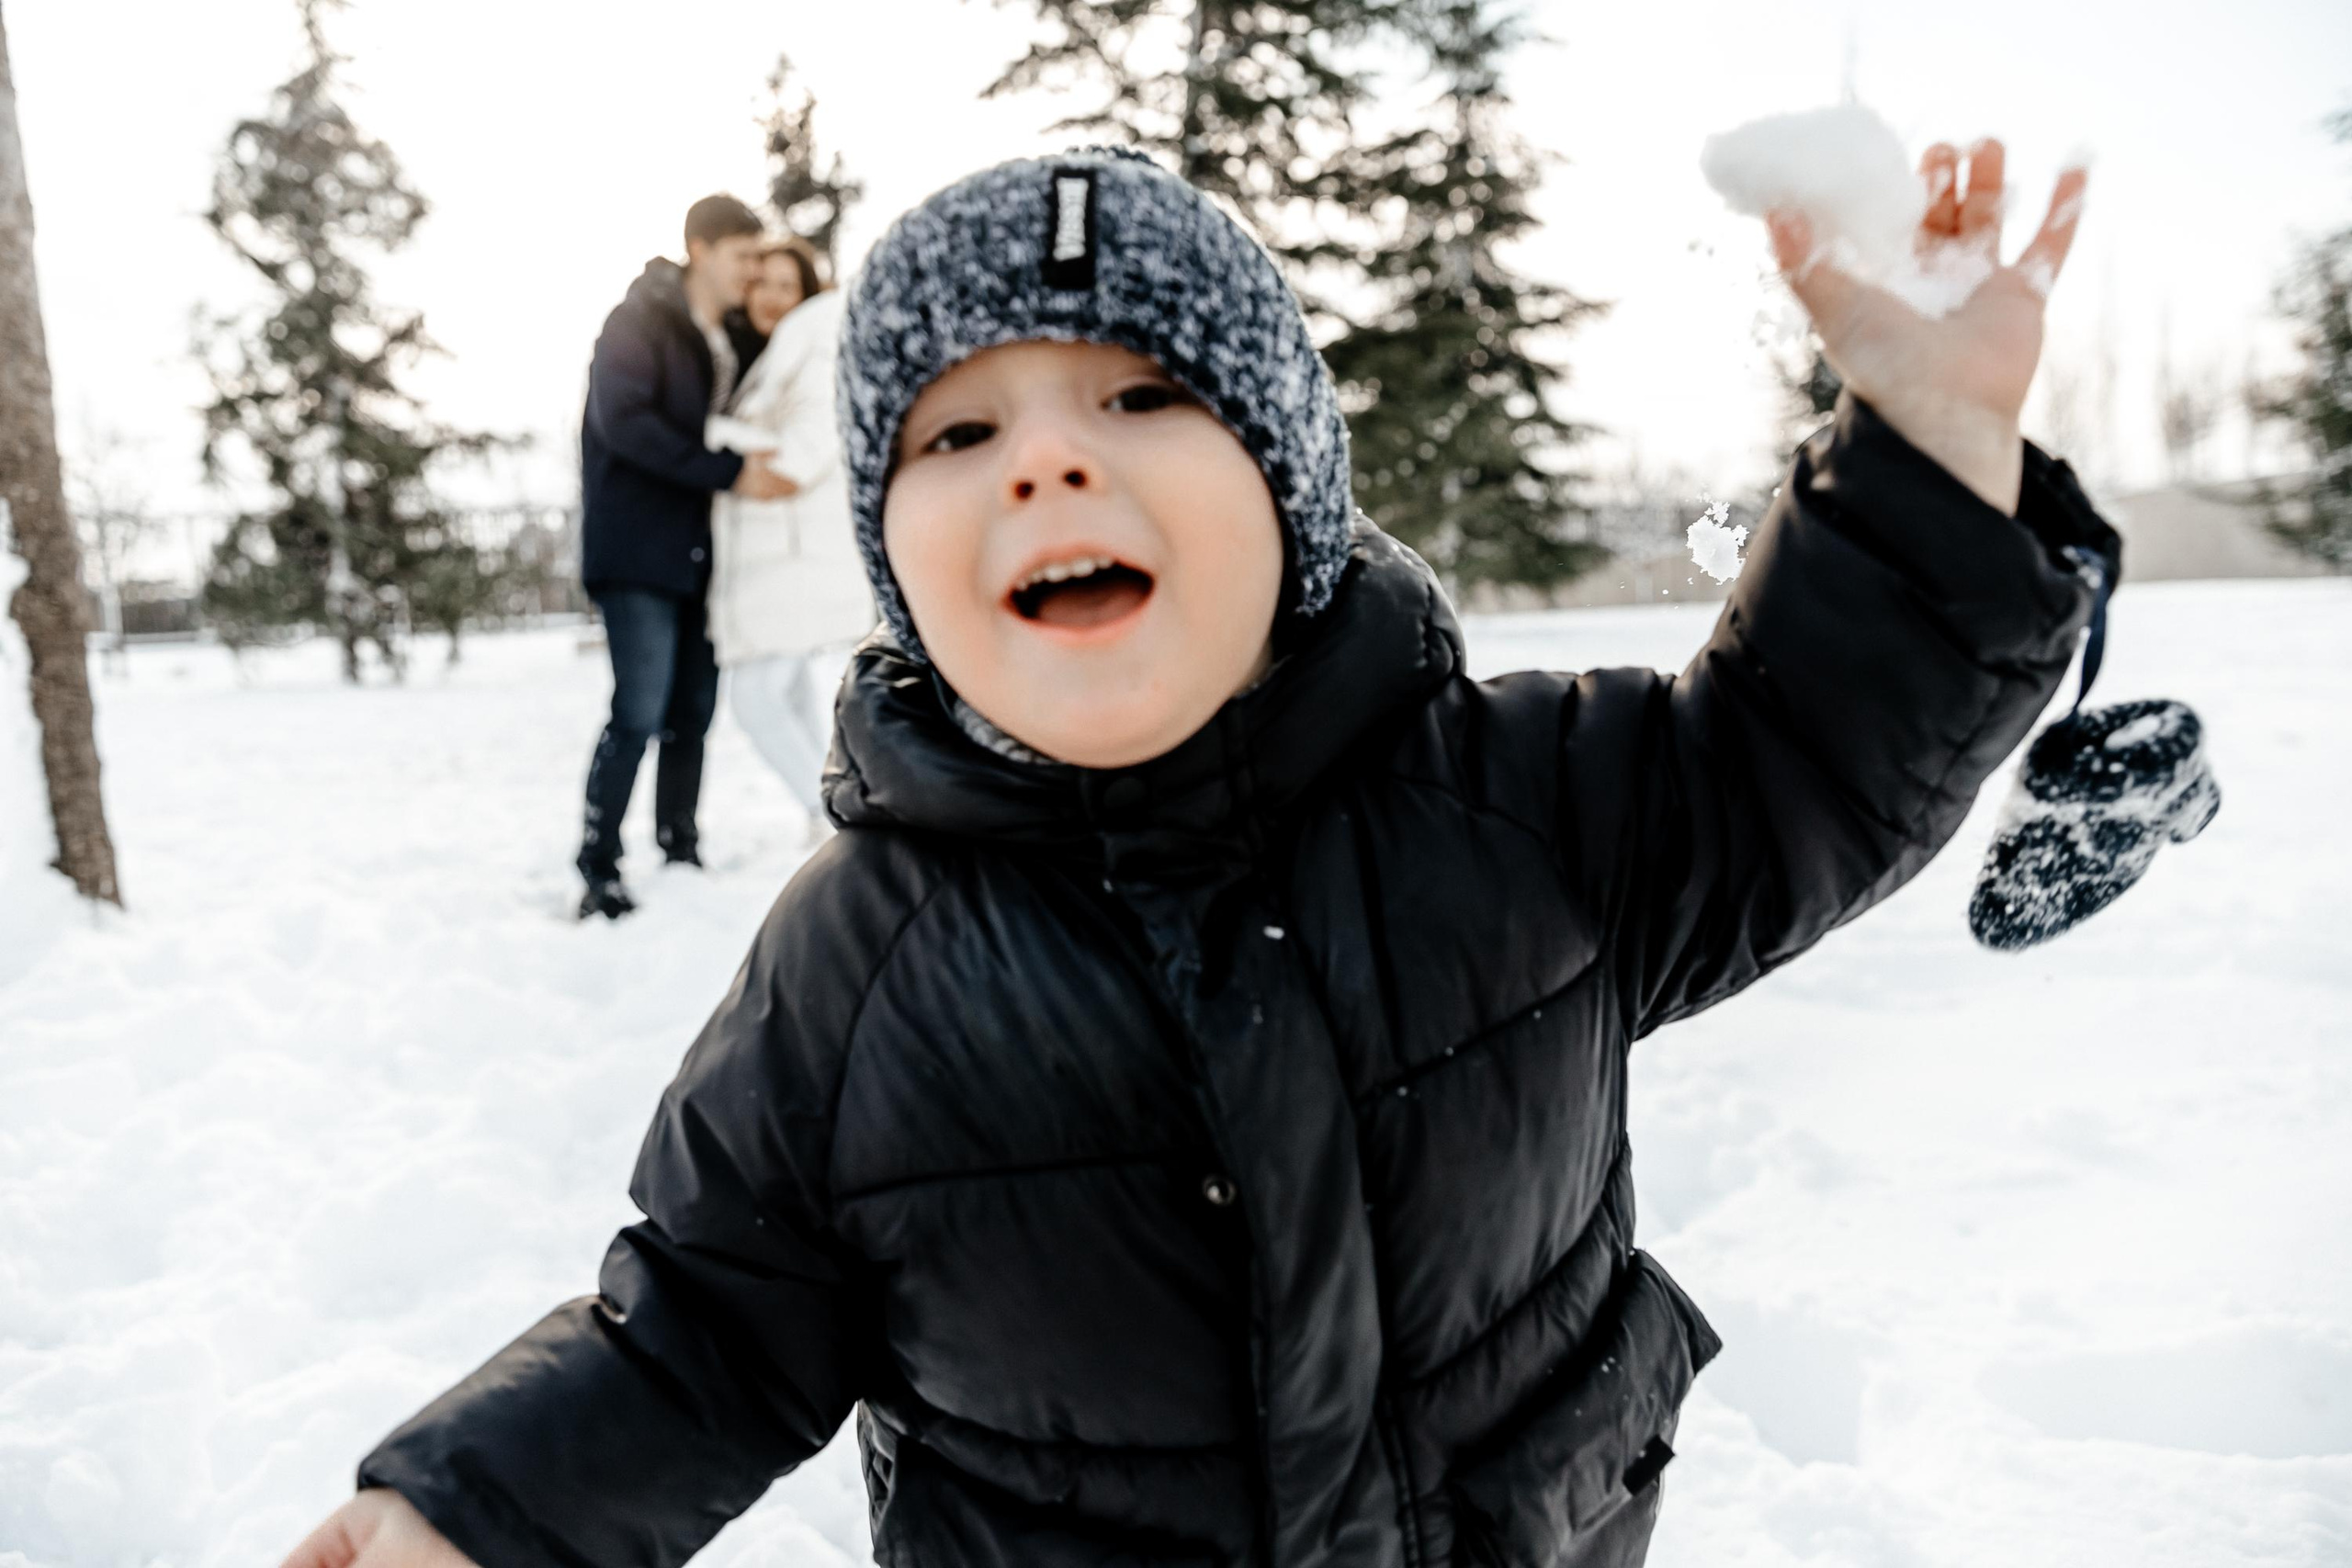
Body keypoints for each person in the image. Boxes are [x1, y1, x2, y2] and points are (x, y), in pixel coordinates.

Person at [284, 143, 2113, 1568]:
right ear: (897, 560)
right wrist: (484, 1505)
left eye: (1143, 398)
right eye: (958, 431)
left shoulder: (1521, 801)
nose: (1044, 466)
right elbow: (697, 1323)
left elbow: (1804, 757)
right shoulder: (857, 970)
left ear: (1291, 479)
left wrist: (1932, 447)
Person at [574, 194, 797, 921]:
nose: (750, 275)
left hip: (702, 554)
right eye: (741, 259)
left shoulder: (722, 335)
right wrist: (729, 473)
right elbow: (626, 423)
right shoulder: (637, 322)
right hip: (635, 551)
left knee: (692, 711)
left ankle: (680, 846)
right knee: (637, 709)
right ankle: (599, 864)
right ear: (701, 249)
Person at [706, 237, 874, 829]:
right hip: (773, 558)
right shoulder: (763, 355)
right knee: (794, 697)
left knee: (757, 701)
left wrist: (712, 440)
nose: (772, 297)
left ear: (807, 293)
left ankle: (829, 815)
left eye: (787, 285)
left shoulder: (817, 346)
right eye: (763, 283)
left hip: (793, 557)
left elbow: (804, 454)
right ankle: (838, 808)